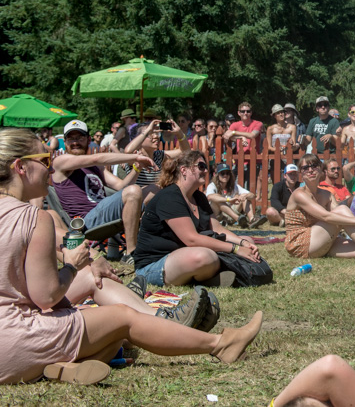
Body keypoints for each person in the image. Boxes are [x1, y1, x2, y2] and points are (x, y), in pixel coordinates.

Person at [0, 129, 263, 385]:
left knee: (102, 304)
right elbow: (46, 296)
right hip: (16, 342)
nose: (50, 168)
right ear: (21, 167)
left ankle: (59, 367)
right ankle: (220, 344)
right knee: (122, 318)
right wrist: (71, 265)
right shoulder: (35, 218)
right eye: (45, 161)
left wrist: (88, 259)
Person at [133, 151, 262, 288]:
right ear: (184, 170)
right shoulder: (170, 197)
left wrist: (242, 243)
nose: (206, 171)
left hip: (184, 256)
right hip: (154, 265)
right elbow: (191, 239)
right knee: (205, 257)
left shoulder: (199, 197)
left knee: (248, 240)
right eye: (201, 166)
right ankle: (209, 274)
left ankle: (208, 274)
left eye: (206, 167)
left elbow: (216, 228)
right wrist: (236, 249)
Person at [49, 120, 157, 268]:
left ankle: (155, 244)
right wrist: (135, 157)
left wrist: (136, 169)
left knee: (154, 190)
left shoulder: (96, 167)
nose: (75, 142)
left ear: (88, 139)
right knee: (134, 191)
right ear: (65, 141)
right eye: (71, 139)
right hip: (85, 222)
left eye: (80, 138)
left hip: (103, 213)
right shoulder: (60, 161)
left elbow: (121, 186)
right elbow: (96, 158)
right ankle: (131, 253)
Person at [283, 154, 355, 260]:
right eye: (305, 168)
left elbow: (341, 219)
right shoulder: (299, 194)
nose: (310, 170)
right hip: (301, 245)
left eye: (314, 166)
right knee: (342, 210)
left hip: (320, 241)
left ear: (320, 169)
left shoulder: (327, 194)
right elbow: (327, 216)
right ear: (301, 172)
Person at [205, 163, 264, 228]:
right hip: (217, 215)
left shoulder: (234, 186)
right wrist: (228, 200)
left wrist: (244, 196)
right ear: (217, 175)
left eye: (227, 173)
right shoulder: (212, 186)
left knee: (245, 196)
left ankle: (252, 220)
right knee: (218, 199)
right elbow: (209, 197)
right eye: (222, 173)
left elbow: (252, 195)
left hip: (230, 214)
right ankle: (239, 219)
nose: (225, 175)